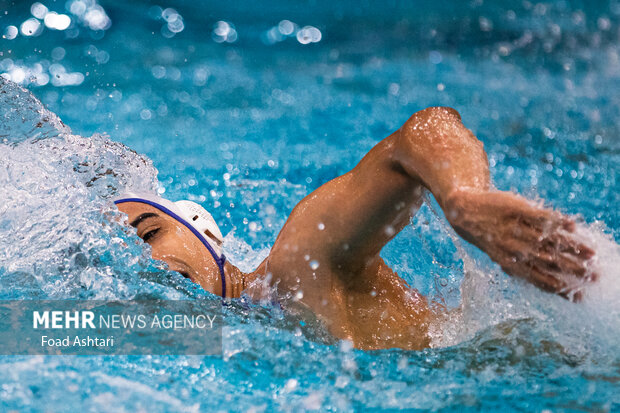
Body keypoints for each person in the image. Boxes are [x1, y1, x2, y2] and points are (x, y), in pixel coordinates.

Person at [114, 106, 597, 350]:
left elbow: (424, 131)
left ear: (206, 235)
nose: (150, 262)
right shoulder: (212, 340)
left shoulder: (295, 267)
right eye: (126, 257)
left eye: (150, 233)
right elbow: (44, 327)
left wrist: (465, 200)